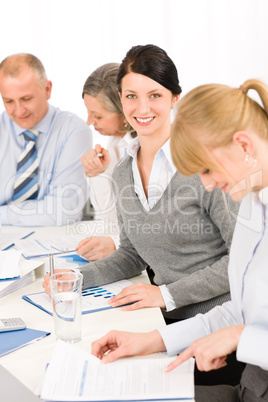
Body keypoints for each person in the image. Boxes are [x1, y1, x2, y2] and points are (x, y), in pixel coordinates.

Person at [91, 79, 268, 401]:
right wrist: (149, 339)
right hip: (252, 387)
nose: (208, 185)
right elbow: (238, 314)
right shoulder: (253, 207)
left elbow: (242, 328)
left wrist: (243, 337)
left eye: (206, 170)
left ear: (243, 145)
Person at [43, 44, 239, 324]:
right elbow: (132, 254)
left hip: (224, 319)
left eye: (155, 95)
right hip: (164, 318)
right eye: (132, 96)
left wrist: (166, 295)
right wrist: (76, 279)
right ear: (121, 100)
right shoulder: (123, 171)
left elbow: (244, 258)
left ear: (174, 98)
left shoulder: (206, 165)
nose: (142, 108)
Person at [0, 53, 92, 226]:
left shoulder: (74, 131)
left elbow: (62, 212)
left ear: (47, 90)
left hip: (52, 238)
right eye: (9, 101)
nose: (19, 111)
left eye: (26, 99)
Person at [76, 63, 136, 261]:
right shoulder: (115, 146)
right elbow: (110, 222)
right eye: (88, 112)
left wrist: (116, 244)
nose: (89, 121)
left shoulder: (144, 149)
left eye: (98, 116)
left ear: (124, 112)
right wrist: (97, 174)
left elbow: (157, 228)